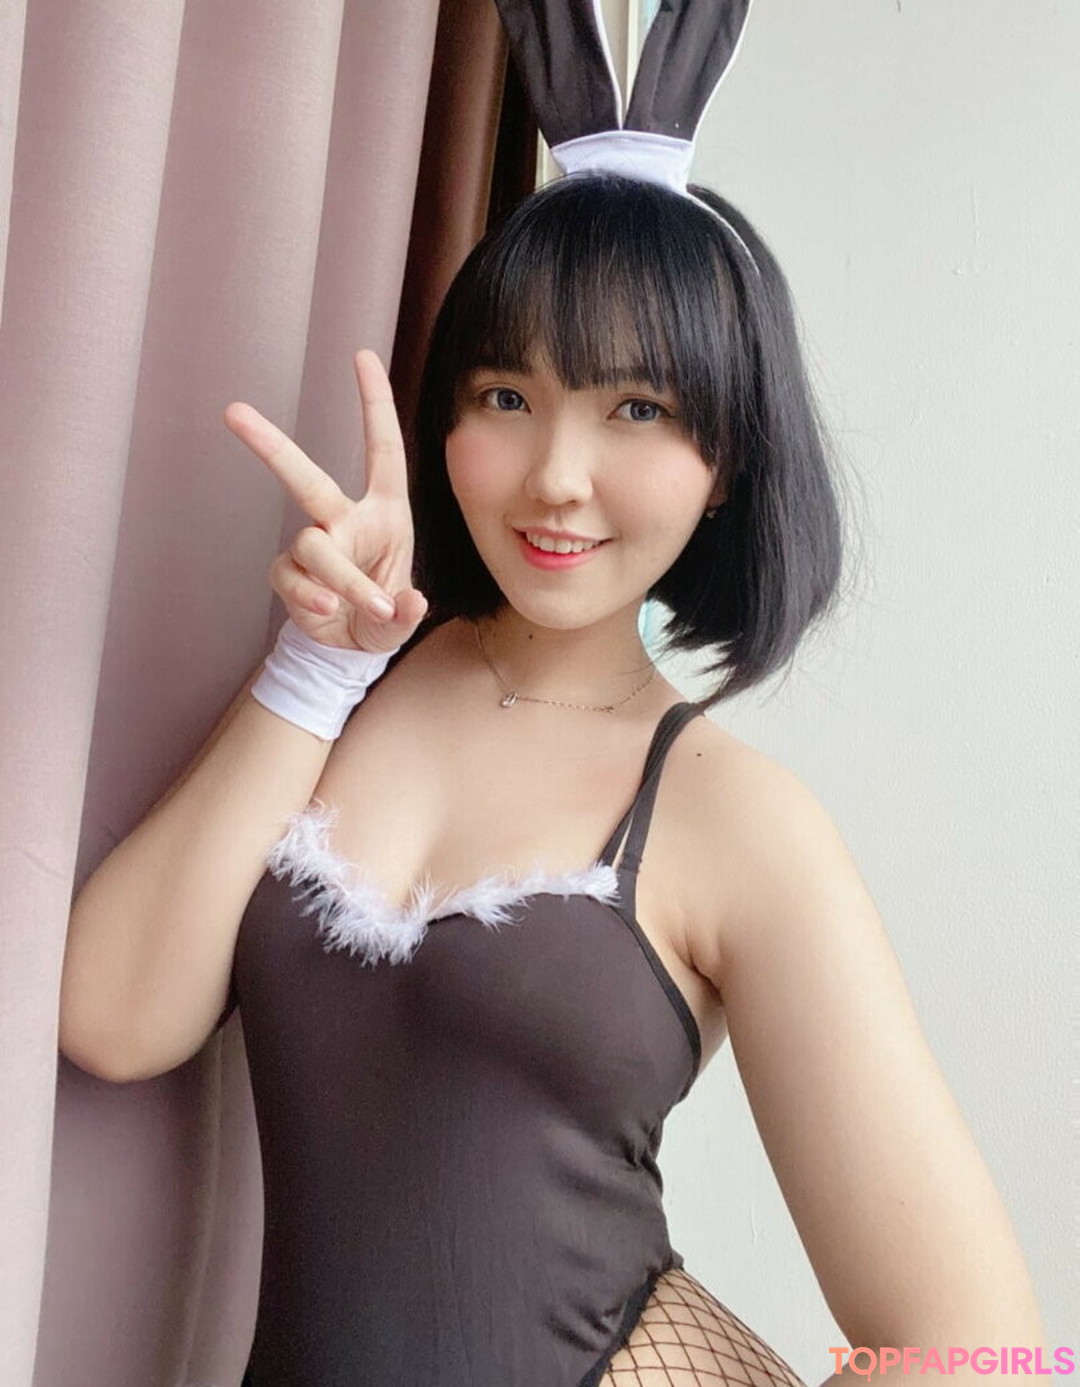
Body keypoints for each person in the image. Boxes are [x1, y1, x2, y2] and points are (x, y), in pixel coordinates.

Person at [61, 165, 1045, 1385]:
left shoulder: (736, 818)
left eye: (635, 407)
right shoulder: (354, 682)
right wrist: (314, 671)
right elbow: (113, 1019)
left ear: (727, 458)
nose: (557, 476)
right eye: (507, 396)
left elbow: (981, 1349)